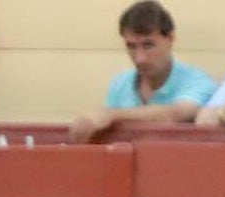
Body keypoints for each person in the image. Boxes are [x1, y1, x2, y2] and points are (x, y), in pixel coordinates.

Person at [69, 0, 215, 143]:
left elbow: (176, 114)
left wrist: (110, 114)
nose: (140, 59)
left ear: (171, 38)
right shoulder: (120, 83)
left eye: (148, 45)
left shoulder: (198, 82)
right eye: (131, 46)